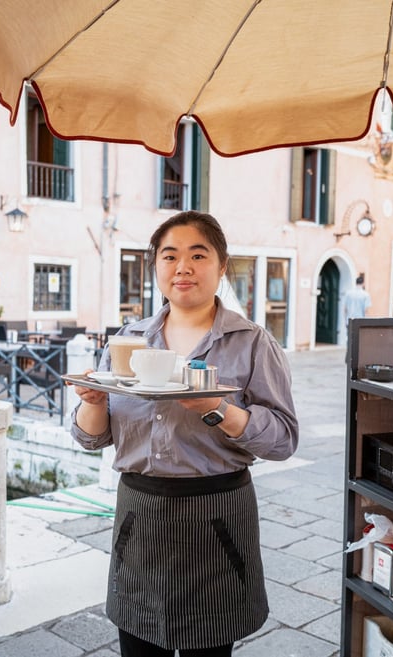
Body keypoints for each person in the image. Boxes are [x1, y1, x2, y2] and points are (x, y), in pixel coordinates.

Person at [70, 211, 299, 656]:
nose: (183, 267)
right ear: (156, 266)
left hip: (217, 515)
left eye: (198, 254)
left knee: (209, 647)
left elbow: (284, 439)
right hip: (140, 514)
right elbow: (91, 438)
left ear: (221, 265)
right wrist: (92, 401)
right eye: (170, 256)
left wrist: (218, 410)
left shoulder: (251, 342)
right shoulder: (128, 340)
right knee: (138, 644)